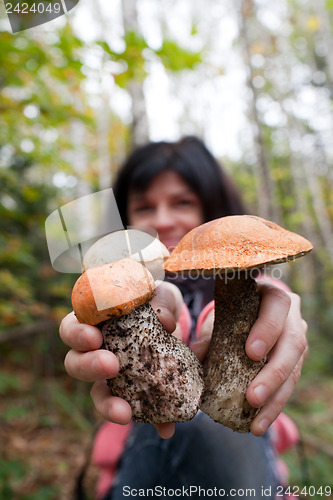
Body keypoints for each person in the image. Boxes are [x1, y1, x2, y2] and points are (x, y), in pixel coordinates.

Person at [60, 136, 308, 499]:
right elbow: (164, 304)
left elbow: (273, 302)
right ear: (125, 224)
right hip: (136, 468)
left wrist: (280, 316)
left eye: (182, 202)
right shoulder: (110, 289)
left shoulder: (259, 286)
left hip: (241, 468)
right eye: (144, 207)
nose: (162, 219)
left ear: (214, 208)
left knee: (209, 424)